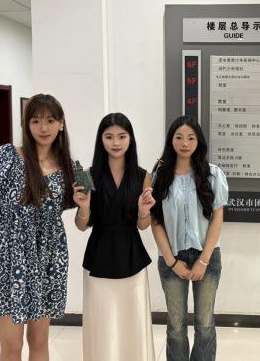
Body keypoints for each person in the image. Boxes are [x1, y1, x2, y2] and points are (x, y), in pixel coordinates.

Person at [0, 94, 76, 361]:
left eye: (50, 120)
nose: (43, 128)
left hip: (47, 261)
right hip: (7, 260)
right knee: (12, 346)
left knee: (39, 342)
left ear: (61, 123)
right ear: (27, 124)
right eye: (36, 121)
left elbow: (64, 216)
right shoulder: (7, 156)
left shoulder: (68, 167)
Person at [73, 113, 156, 361]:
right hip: (99, 255)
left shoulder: (142, 176)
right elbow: (81, 226)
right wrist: (84, 207)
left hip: (132, 256)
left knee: (133, 322)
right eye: (109, 137)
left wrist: (143, 212)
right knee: (102, 323)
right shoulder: (87, 174)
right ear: (101, 140)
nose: (116, 142)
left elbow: (144, 226)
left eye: (122, 136)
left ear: (130, 139)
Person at [151, 116, 229, 361]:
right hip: (171, 257)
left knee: (204, 323)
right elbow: (155, 222)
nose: (185, 143)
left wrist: (203, 261)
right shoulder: (159, 176)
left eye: (191, 138)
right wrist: (172, 262)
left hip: (207, 258)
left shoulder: (213, 174)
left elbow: (217, 220)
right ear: (171, 140)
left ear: (199, 141)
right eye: (179, 137)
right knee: (176, 324)